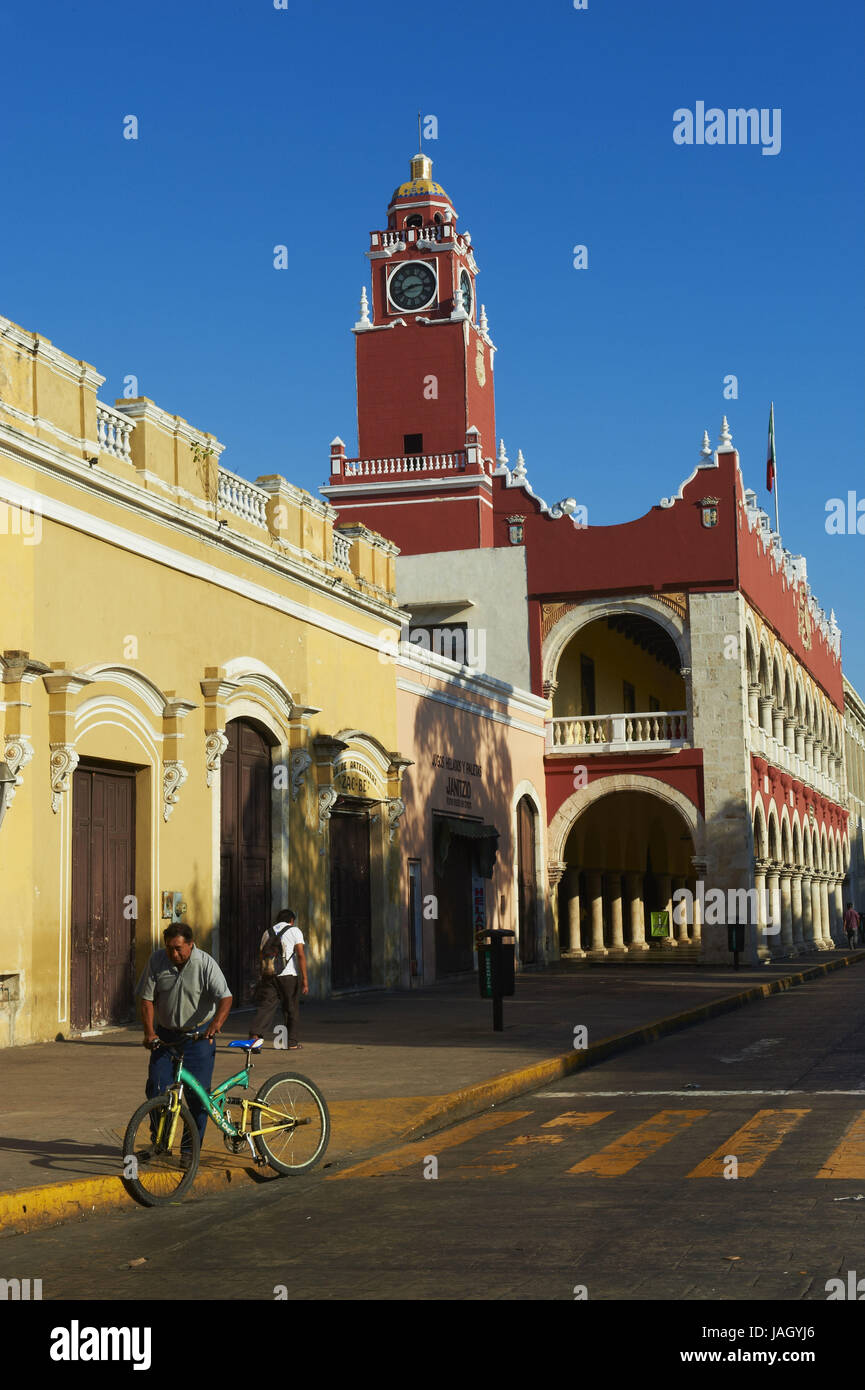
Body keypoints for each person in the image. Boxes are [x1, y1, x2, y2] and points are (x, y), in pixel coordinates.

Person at [136, 922, 233, 1144]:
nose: (174, 953)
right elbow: (147, 1000)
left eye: (179, 948)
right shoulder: (157, 961)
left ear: (191, 945)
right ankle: (160, 1141)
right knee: (157, 1088)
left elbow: (225, 997)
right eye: (170, 948)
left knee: (197, 1098)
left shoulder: (205, 963)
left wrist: (216, 1023)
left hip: (198, 1038)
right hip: (166, 1037)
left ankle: (190, 1152)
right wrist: (149, 1032)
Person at [246, 909, 308, 1049]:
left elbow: (262, 955)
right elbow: (300, 955)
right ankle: (291, 1042)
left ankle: (254, 1037)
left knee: (266, 1006)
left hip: (269, 975)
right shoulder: (294, 931)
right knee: (291, 1008)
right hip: (288, 975)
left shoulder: (267, 932)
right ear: (292, 920)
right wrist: (305, 979)